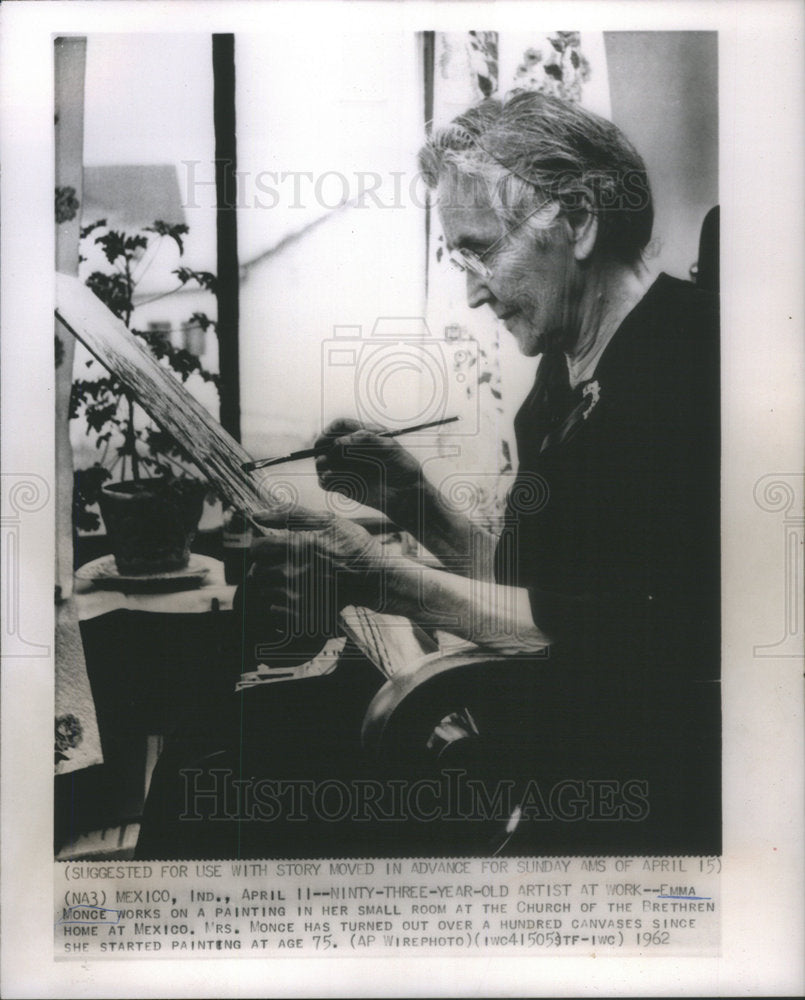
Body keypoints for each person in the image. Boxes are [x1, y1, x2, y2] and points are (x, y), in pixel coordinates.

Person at [138, 91, 719, 858]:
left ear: (577, 220)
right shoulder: (561, 374)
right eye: (460, 258)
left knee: (224, 776)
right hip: (528, 716)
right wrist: (410, 500)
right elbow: (534, 586)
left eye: (481, 249)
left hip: (611, 769)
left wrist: (380, 576)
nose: (473, 290)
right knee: (210, 741)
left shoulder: (691, 363)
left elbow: (635, 634)